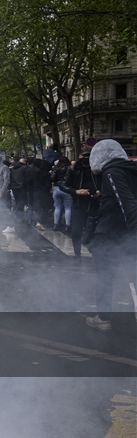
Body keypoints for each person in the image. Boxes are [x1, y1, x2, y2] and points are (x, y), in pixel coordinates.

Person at [83, 139, 137, 331]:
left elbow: (127, 204)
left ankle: (104, 318)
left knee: (105, 278)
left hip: (111, 235)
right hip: (127, 237)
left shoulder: (112, 173)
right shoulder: (132, 170)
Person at [58, 149, 98, 263]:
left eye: (88, 156)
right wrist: (76, 191)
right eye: (84, 155)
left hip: (94, 202)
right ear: (79, 156)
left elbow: (103, 183)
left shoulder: (96, 169)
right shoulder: (72, 169)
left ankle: (95, 251)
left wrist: (100, 191)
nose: (86, 158)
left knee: (94, 230)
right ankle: (77, 254)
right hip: (79, 203)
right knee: (76, 230)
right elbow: (63, 185)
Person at [50, 156, 73, 231]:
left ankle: (56, 224)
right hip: (67, 189)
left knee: (57, 207)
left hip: (57, 188)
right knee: (68, 208)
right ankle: (67, 225)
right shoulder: (70, 168)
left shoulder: (56, 168)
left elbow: (52, 178)